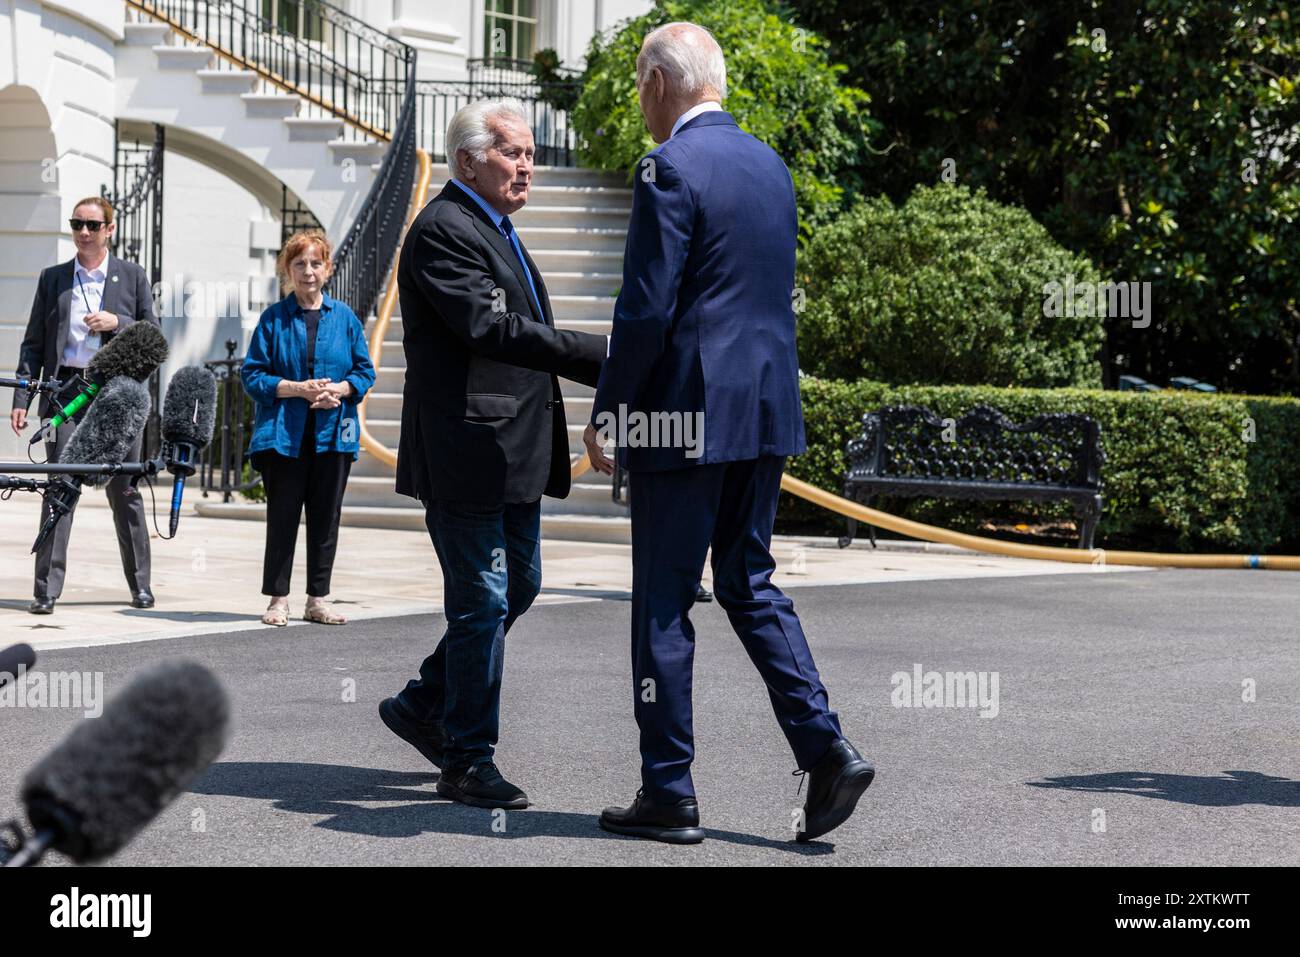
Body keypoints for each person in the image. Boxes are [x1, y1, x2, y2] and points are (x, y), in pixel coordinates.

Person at [583, 22, 875, 845]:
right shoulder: (769, 165)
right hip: (766, 410)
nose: (640, 98)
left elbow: (645, 309)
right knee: (749, 582)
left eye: (640, 83)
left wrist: (609, 408)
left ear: (656, 84)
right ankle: (826, 748)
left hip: (684, 415)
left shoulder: (667, 167)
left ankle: (668, 790)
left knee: (664, 603)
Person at [378, 98, 606, 810]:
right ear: (469, 159)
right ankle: (467, 758)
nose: (526, 165)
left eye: (531, 154)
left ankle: (423, 702)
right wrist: (601, 355)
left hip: (512, 453)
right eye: (512, 152)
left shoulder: (495, 228)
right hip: (467, 451)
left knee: (520, 585)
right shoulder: (444, 228)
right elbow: (491, 327)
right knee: (482, 601)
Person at [9, 196, 158, 615]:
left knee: (125, 490)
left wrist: (118, 324)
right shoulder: (53, 278)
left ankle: (140, 586)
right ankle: (45, 590)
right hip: (67, 393)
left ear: (110, 229)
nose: (84, 232)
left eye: (93, 225)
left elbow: (154, 336)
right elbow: (34, 342)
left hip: (115, 394)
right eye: (77, 224)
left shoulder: (132, 276)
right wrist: (23, 397)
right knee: (59, 489)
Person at [241, 230, 375, 626]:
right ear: (288, 270)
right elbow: (252, 375)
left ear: (328, 268)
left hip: (333, 434)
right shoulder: (273, 319)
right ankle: (277, 599)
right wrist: (295, 389)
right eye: (299, 264)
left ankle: (317, 599)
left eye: (316, 263)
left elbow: (364, 371)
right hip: (284, 436)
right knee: (282, 517)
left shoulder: (345, 318)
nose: (308, 271)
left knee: (325, 517)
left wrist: (341, 389)